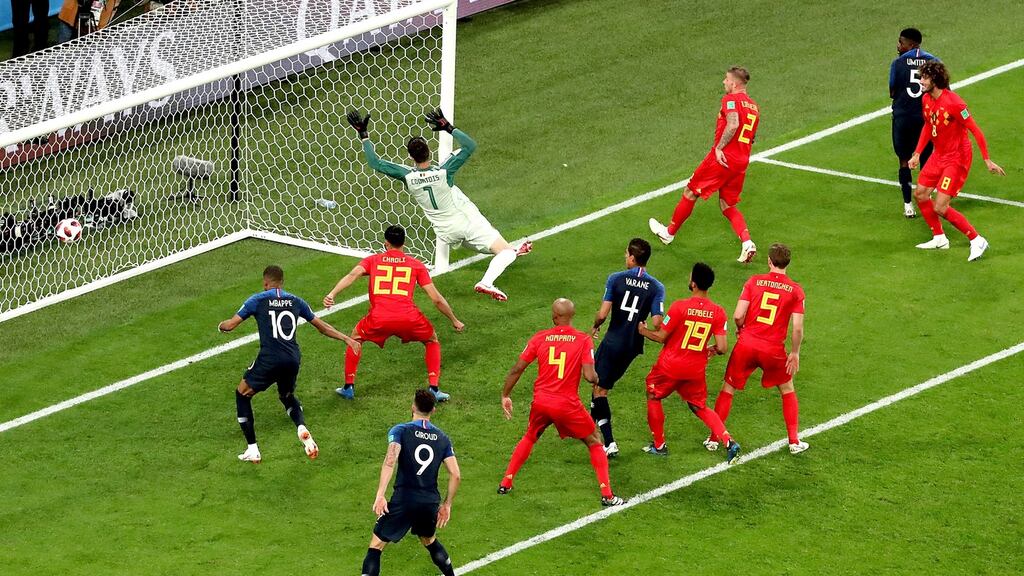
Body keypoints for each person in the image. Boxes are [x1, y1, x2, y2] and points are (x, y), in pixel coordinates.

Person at [346, 108, 531, 302]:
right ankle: (486, 281)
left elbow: (375, 163)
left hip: (445, 233)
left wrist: (363, 135)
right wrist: (448, 127)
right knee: (504, 251)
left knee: (500, 248)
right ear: (429, 152)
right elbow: (470, 146)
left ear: (410, 157)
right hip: (464, 222)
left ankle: (511, 251)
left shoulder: (407, 176)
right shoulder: (444, 171)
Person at [218, 265, 360, 463]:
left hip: (269, 358)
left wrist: (220, 326)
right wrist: (347, 339)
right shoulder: (296, 301)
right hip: (293, 358)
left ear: (265, 283)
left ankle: (253, 449)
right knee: (286, 395)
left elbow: (230, 325)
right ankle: (302, 428)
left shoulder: (257, 300)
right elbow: (322, 327)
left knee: (242, 394)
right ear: (282, 282)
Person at [498, 298, 626, 506]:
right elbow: (589, 376)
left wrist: (505, 395)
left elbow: (517, 369)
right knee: (595, 440)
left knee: (530, 435)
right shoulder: (584, 340)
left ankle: (506, 482)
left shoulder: (539, 338)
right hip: (566, 404)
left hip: (541, 401)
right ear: (572, 315)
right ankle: (607, 495)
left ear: (554, 317)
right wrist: (596, 379)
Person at [323, 225, 464, 402]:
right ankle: (434, 388)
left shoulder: (372, 260)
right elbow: (436, 298)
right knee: (431, 339)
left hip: (379, 318)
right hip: (409, 318)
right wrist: (454, 319)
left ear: (385, 243)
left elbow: (352, 275)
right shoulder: (416, 265)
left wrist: (332, 294)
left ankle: (348, 387)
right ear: (404, 242)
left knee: (355, 338)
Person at [649, 66, 760, 263]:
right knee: (727, 204)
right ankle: (747, 242)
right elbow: (751, 137)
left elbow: (733, 124)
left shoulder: (731, 100)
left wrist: (719, 148)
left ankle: (669, 233)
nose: (723, 82)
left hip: (723, 158)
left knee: (691, 191)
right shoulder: (754, 106)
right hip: (742, 160)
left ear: (734, 83)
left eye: (726, 79)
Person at [709, 243, 808, 454]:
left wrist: (740, 329)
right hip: (772, 350)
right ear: (787, 263)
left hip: (746, 344)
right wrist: (795, 352)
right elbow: (797, 328)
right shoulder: (796, 291)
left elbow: (737, 315)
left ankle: (713, 439)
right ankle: (793, 442)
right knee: (787, 389)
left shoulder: (753, 281)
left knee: (728, 388)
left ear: (769, 261)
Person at [638, 262, 740, 463]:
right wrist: (708, 350)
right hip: (694, 369)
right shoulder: (718, 312)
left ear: (693, 283)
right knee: (699, 406)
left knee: (653, 395)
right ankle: (729, 441)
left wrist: (643, 331)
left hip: (670, 366)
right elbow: (722, 347)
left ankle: (659, 445)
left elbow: (661, 337)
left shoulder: (679, 307)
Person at [908, 61, 1005, 261]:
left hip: (957, 158)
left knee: (940, 206)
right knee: (920, 193)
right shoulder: (926, 99)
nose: (921, 81)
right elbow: (929, 125)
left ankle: (977, 240)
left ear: (935, 79)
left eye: (925, 77)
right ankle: (939, 238)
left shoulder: (955, 103)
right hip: (939, 155)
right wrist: (917, 153)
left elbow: (975, 130)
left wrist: (987, 159)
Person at [361, 389, 461, 576]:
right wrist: (447, 504)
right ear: (433, 410)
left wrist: (380, 495)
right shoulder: (443, 439)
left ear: (413, 406)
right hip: (429, 501)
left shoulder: (400, 430)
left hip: (404, 500)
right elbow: (455, 475)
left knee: (376, 546)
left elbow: (390, 461)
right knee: (429, 540)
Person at [589, 238, 665, 457]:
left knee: (599, 389)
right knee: (601, 386)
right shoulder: (656, 287)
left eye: (626, 255)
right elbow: (658, 323)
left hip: (613, 341)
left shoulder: (616, 279)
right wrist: (645, 327)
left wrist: (595, 326)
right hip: (632, 346)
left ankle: (608, 443)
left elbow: (603, 314)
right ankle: (587, 428)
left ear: (632, 258)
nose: (625, 258)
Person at [889, 27, 938, 218]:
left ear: (911, 44)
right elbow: (943, 89)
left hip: (902, 118)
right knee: (926, 160)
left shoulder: (898, 63)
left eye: (901, 42)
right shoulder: (933, 61)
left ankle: (908, 205)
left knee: (904, 160)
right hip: (924, 120)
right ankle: (927, 198)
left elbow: (892, 91)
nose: (898, 46)